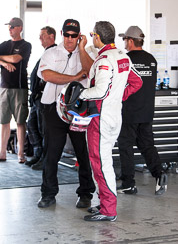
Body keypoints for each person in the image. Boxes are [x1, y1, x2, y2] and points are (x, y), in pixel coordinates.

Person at [78, 21, 142, 222]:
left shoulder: (104, 59)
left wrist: (80, 94)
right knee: (103, 162)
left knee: (100, 163)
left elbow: (101, 91)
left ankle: (108, 209)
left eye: (92, 35)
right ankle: (104, 203)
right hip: (115, 116)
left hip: (100, 119)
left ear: (97, 36)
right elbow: (136, 82)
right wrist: (118, 96)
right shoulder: (123, 56)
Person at [37, 19, 95, 208]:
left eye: (74, 35)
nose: (70, 39)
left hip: (79, 110)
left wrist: (83, 49)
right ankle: (48, 194)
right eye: (67, 35)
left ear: (79, 36)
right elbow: (47, 75)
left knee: (82, 152)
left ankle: (86, 193)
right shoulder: (51, 53)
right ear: (62, 34)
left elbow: (91, 72)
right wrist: (75, 77)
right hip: (53, 109)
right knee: (51, 153)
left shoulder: (86, 53)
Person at [117, 26, 168, 195]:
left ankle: (128, 183)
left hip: (129, 112)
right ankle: (159, 174)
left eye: (125, 40)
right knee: (147, 145)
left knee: (126, 147)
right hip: (146, 112)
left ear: (131, 41)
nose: (124, 43)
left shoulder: (125, 59)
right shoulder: (152, 59)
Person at [0, 17, 31, 163]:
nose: (10, 29)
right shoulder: (4, 45)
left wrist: (6, 60)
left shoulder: (26, 45)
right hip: (4, 87)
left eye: (13, 26)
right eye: (9, 26)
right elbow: (9, 61)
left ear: (20, 28)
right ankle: (2, 153)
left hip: (20, 88)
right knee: (4, 121)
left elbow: (16, 59)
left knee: (20, 121)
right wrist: (4, 63)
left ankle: (20, 154)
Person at [25, 26, 57, 170]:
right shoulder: (46, 53)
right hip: (37, 98)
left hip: (45, 98)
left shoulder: (55, 53)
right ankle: (38, 153)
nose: (40, 38)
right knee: (31, 125)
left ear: (51, 36)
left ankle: (45, 158)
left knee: (43, 129)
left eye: (42, 35)